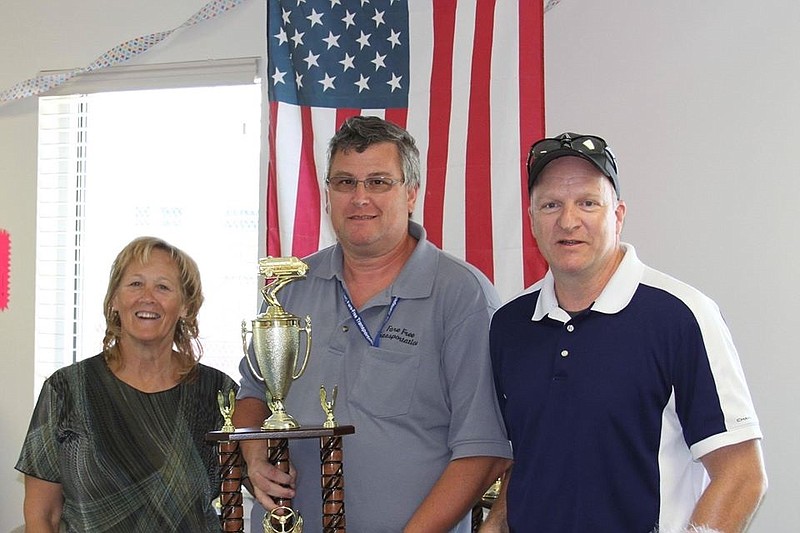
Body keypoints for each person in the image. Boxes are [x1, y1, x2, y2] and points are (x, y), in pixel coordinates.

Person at [234, 115, 512, 532]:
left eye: (379, 182)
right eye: (345, 182)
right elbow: (253, 395)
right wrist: (255, 457)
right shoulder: (291, 288)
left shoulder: (462, 294)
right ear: (328, 194)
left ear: (412, 193)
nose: (360, 197)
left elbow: (484, 449)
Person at [482, 132, 768, 533]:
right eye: (550, 205)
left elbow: (742, 474)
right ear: (531, 220)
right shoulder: (510, 325)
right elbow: (526, 457)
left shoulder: (681, 316)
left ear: (617, 215)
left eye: (587, 203)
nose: (568, 220)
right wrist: (497, 522)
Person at [16, 236, 238, 532]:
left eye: (163, 286)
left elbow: (261, 477)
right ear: (114, 300)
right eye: (135, 284)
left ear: (186, 306)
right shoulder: (65, 391)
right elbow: (43, 516)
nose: (147, 297)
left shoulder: (219, 393)